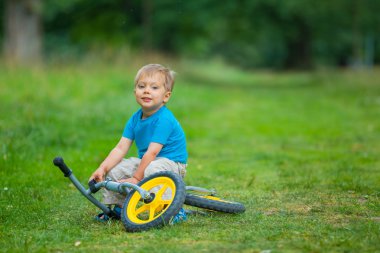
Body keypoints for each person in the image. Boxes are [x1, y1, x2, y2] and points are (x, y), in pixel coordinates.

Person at [89, 64, 188, 224]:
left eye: (154, 87)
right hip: (148, 162)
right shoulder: (135, 119)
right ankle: (120, 208)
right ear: (135, 92)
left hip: (171, 164)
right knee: (117, 169)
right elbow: (120, 148)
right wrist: (103, 168)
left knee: (152, 169)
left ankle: (174, 209)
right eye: (141, 86)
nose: (147, 90)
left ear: (166, 96)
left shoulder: (164, 119)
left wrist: (136, 178)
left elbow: (152, 153)